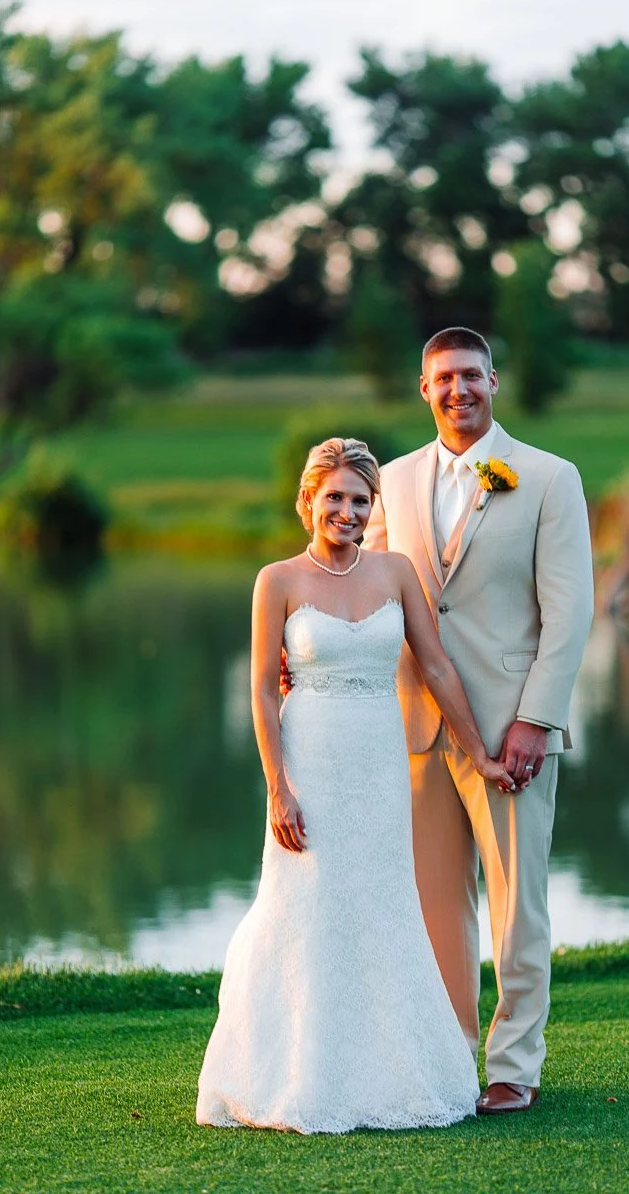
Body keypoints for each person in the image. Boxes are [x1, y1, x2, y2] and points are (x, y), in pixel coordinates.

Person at [196, 437, 514, 1134]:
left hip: (377, 763)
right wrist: (278, 787)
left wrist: (482, 755)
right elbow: (259, 690)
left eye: (360, 500)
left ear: (374, 510)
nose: (346, 510)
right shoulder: (276, 581)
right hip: (309, 762)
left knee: (380, 903)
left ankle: (394, 1073)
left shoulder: (397, 572)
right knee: (303, 902)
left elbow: (435, 668)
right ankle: (298, 1073)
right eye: (334, 496)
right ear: (309, 499)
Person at [363, 326, 594, 1114]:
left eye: (471, 375)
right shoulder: (390, 482)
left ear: (494, 380)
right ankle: (449, 1058)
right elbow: (365, 590)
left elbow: (569, 615)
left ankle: (514, 1065)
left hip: (510, 733)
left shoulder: (549, 478)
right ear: (422, 389)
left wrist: (537, 719)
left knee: (516, 906)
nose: (458, 390)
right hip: (417, 730)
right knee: (435, 906)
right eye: (442, 379)